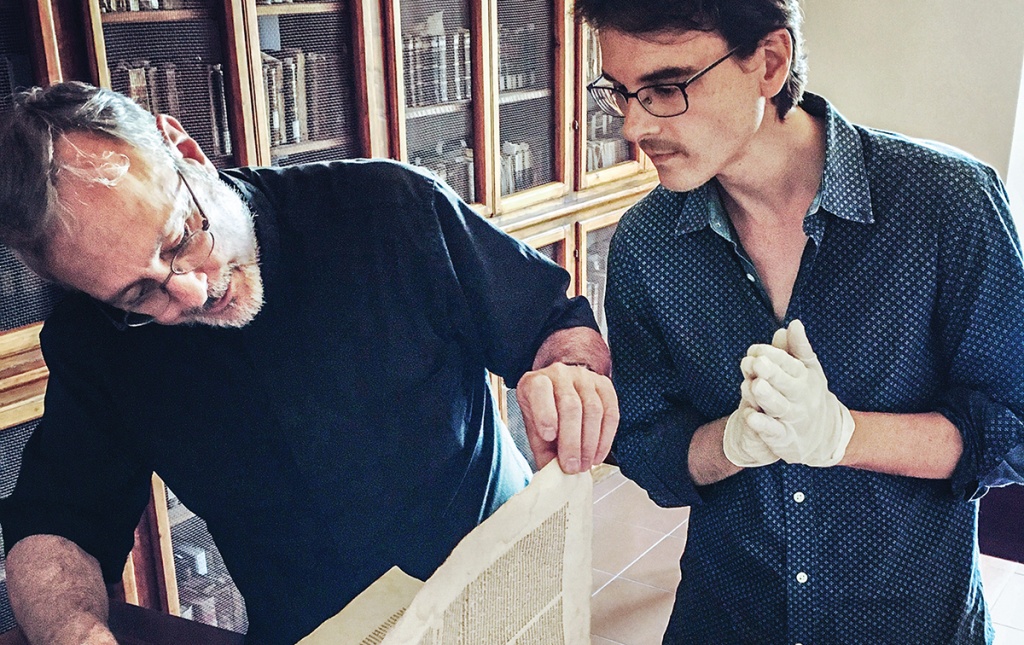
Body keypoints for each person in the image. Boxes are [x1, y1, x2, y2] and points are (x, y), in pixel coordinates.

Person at [0, 81, 619, 645]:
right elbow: (59, 520)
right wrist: (73, 634)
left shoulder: (386, 207)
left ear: (187, 152)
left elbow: (551, 323)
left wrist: (570, 375)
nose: (190, 292)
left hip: (500, 590)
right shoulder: (96, 340)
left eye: (180, 238)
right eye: (139, 294)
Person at [574, 0, 1024, 642]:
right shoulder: (647, 245)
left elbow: (1012, 429)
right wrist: (729, 444)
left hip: (908, 620)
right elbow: (649, 444)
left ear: (769, 62)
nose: (633, 126)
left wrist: (843, 436)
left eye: (666, 88)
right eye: (619, 93)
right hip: (728, 619)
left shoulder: (946, 204)